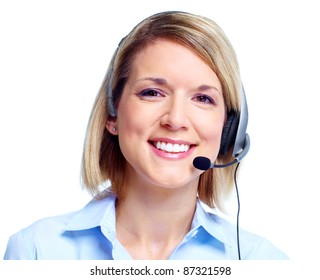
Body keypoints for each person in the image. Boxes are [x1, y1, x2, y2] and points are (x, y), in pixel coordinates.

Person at [4, 11, 288, 260]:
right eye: (152, 93)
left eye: (202, 98)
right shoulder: (36, 252)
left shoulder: (259, 262)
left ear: (230, 131)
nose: (175, 119)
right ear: (113, 115)